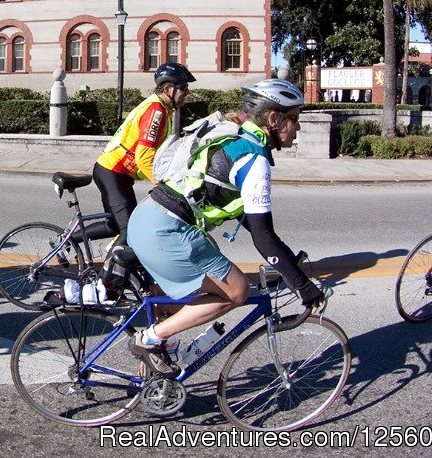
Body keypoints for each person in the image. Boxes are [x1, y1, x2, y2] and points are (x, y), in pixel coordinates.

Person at [125, 79, 324, 376]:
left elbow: (253, 225)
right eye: (293, 118)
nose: (297, 128)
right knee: (237, 289)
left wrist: (287, 264)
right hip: (167, 231)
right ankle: (149, 340)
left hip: (145, 218)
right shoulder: (254, 160)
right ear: (274, 119)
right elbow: (263, 236)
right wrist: (304, 287)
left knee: (191, 294)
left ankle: (154, 371)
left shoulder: (233, 138)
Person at [94, 62, 195, 244]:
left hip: (118, 173)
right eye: (183, 87)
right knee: (129, 232)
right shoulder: (156, 111)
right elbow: (144, 156)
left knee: (116, 225)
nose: (187, 91)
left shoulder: (163, 108)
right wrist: (162, 184)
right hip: (113, 171)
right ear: (168, 89)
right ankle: (112, 270)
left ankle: (65, 241)